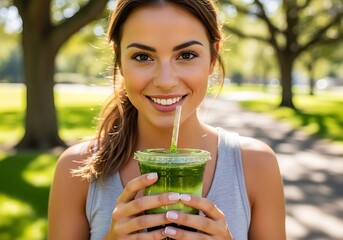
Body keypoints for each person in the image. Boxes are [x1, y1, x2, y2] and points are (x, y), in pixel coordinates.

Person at [48, 0, 286, 239]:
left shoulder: (256, 166)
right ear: (120, 61)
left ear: (212, 59)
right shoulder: (77, 170)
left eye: (187, 55)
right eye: (142, 57)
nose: (165, 80)